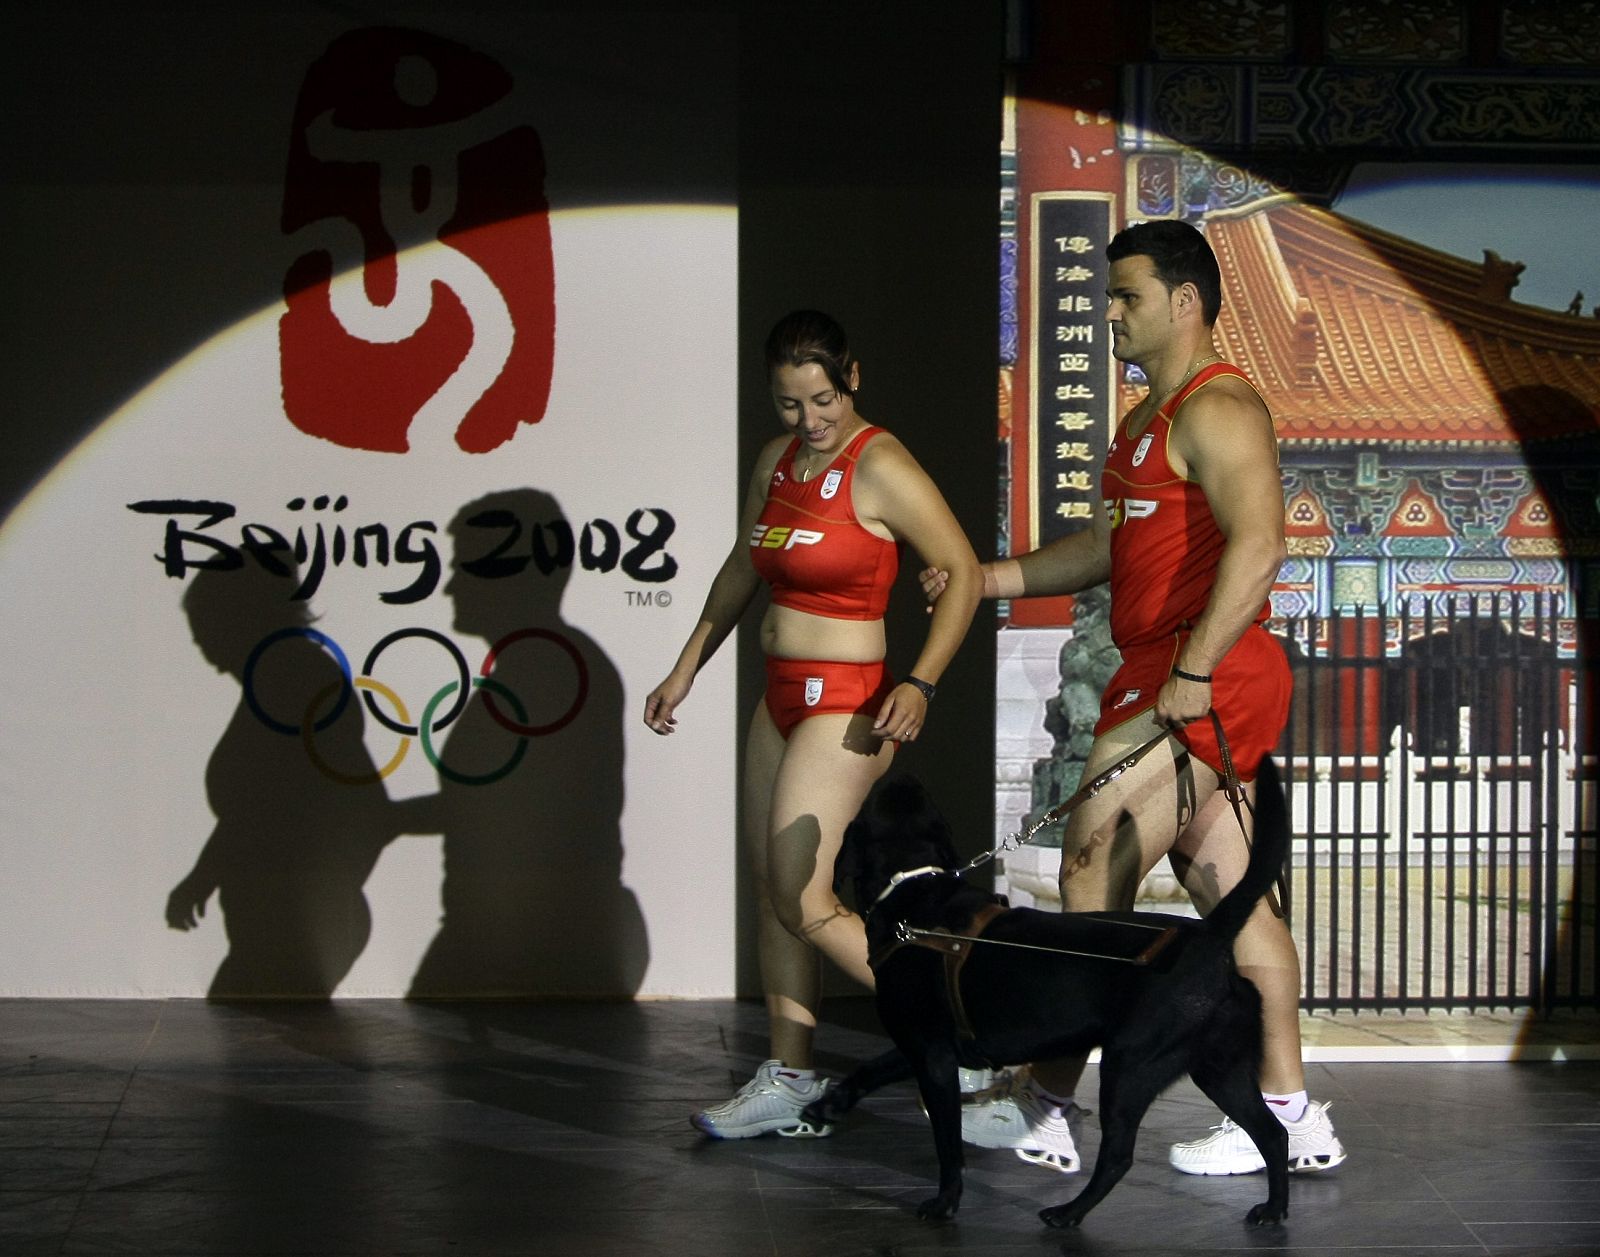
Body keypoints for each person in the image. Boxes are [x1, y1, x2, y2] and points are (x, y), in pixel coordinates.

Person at [924, 220, 1345, 1177]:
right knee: (1235, 907)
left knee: (1089, 868)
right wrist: (991, 578)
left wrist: (1192, 671)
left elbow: (1262, 542)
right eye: (1109, 297)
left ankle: (1044, 1101)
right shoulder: (1142, 420)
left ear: (1184, 302)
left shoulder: (1220, 404)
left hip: (1207, 675)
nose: (1110, 314)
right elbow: (1112, 551)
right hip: (1157, 671)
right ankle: (1284, 1113)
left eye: (1127, 297)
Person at [645, 309, 982, 1138]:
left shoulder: (882, 463)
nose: (811, 420)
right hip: (779, 694)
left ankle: (976, 1025)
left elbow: (964, 571)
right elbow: (740, 568)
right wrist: (686, 666)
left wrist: (924, 681)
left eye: (823, 399)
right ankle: (790, 1076)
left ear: (852, 377)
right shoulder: (776, 461)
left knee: (805, 895)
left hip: (849, 700)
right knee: (773, 893)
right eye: (791, 403)